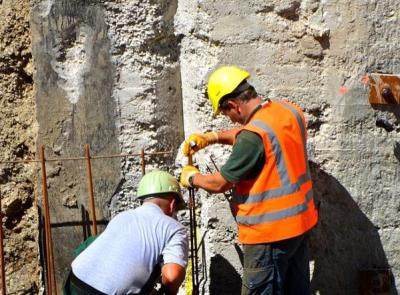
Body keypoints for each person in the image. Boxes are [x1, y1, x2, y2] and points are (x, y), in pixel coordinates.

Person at [180, 65, 318, 295]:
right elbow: (255, 132)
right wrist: (212, 137)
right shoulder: (288, 111)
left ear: (233, 105)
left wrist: (192, 178)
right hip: (300, 224)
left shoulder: (252, 137)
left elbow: (219, 183)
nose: (231, 120)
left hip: (269, 235)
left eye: (226, 114)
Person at [65, 170, 188, 295]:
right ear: (172, 204)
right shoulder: (174, 228)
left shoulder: (123, 216)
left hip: (74, 281)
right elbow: (172, 277)